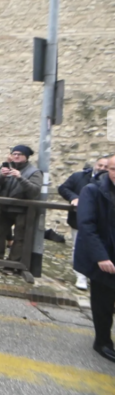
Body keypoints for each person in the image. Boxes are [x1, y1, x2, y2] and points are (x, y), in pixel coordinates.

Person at [73, 155, 115, 364]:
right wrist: (101, 256)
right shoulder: (93, 190)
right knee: (103, 302)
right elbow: (87, 226)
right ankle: (103, 342)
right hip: (104, 256)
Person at [60, 156, 109, 290]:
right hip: (80, 219)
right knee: (78, 246)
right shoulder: (79, 177)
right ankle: (81, 276)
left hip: (102, 221)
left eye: (106, 167)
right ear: (95, 164)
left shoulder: (109, 181)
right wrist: (73, 197)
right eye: (100, 165)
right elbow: (63, 188)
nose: (102, 169)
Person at [0, 145, 43, 263]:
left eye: (20, 154)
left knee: (19, 237)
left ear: (26, 157)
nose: (16, 156)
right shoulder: (7, 166)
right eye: (14, 154)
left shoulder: (34, 172)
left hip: (22, 210)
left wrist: (20, 177)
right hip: (5, 208)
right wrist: (2, 175)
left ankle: (13, 263)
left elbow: (34, 191)